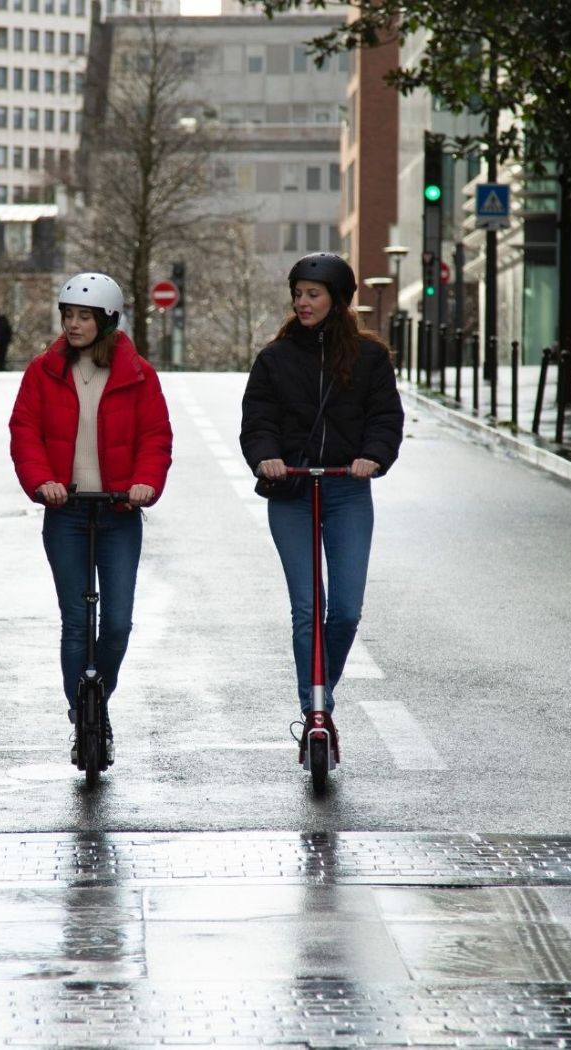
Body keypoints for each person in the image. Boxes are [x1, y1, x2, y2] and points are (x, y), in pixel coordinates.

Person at [239, 252, 404, 765]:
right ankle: (316, 709)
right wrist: (266, 457)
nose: (302, 302)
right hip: (292, 491)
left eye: (313, 293)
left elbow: (385, 417)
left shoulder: (370, 357)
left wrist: (371, 458)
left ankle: (320, 693)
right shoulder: (275, 358)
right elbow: (258, 419)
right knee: (308, 607)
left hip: (346, 490)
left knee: (347, 609)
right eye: (298, 293)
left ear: (339, 299)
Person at [9, 272, 173, 765]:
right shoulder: (43, 371)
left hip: (120, 511)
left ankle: (98, 696)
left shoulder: (138, 373)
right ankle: (82, 712)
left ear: (107, 322)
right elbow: (25, 432)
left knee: (118, 622)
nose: (74, 324)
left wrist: (145, 483)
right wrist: (43, 483)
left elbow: (155, 437)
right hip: (67, 512)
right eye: (69, 316)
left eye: (84, 317)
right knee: (77, 622)